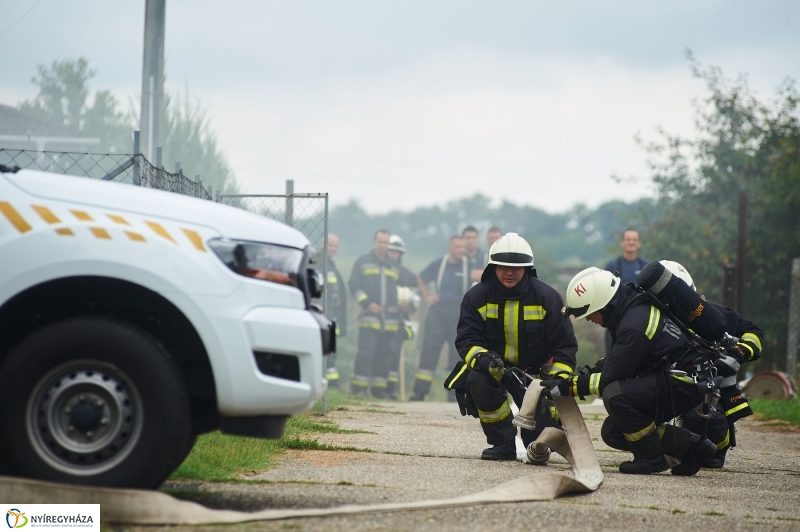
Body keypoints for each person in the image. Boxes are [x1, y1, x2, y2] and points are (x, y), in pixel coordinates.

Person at [554, 267, 719, 475]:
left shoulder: (635, 323)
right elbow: (620, 360)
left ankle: (651, 458)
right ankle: (694, 448)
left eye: (589, 314)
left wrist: (567, 386)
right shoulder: (631, 309)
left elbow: (610, 377)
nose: (588, 319)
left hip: (683, 383)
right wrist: (586, 375)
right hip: (681, 379)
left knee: (615, 395)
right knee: (613, 431)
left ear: (604, 306)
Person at [453, 233, 578, 462]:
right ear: (493, 267)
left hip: (535, 377)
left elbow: (565, 346)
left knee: (538, 446)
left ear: (527, 269)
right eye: (503, 267)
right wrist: (483, 360)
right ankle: (503, 443)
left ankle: (538, 438)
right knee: (478, 380)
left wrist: (556, 383)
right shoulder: (476, 297)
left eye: (516, 268)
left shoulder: (547, 298)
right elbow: (466, 340)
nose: (509, 272)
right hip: (494, 370)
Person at [658, 260, 763, 469]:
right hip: (664, 385)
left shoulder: (710, 314)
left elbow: (752, 331)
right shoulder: (649, 318)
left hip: (705, 390)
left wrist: (736, 354)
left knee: (703, 419)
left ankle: (718, 443)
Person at [411, 236, 469, 401]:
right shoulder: (439, 264)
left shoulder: (468, 266)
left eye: (463, 247)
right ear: (449, 248)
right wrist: (427, 296)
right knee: (429, 351)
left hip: (459, 314)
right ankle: (419, 392)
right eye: (457, 246)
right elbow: (420, 278)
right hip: (438, 312)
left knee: (456, 354)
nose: (461, 250)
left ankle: (453, 393)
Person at [349, 230, 402, 398]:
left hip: (390, 321)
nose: (383, 245)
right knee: (366, 354)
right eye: (380, 241)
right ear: (374, 242)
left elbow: (401, 287)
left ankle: (379, 391)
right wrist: (368, 303)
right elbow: (354, 286)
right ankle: (358, 389)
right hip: (369, 318)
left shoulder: (394, 265)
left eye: (385, 242)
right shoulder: (363, 262)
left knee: (384, 357)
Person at [602, 228, 648, 355]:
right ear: (622, 243)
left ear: (639, 243)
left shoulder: (646, 266)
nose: (631, 242)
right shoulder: (612, 266)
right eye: (628, 239)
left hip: (641, 320)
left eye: (634, 240)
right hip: (616, 321)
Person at [385, 235, 418, 399]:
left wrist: (410, 305)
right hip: (382, 319)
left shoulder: (406, 274)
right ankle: (378, 389)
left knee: (394, 355)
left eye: (396, 252)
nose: (393, 254)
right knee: (380, 355)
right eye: (391, 251)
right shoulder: (380, 272)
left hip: (398, 321)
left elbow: (416, 292)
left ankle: (390, 390)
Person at [323, 233, 348, 388]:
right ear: (322, 245)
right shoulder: (320, 264)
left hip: (332, 316)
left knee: (331, 351)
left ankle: (331, 385)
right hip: (324, 315)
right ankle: (331, 385)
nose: (333, 248)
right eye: (330, 245)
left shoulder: (331, 265)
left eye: (335, 246)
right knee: (327, 352)